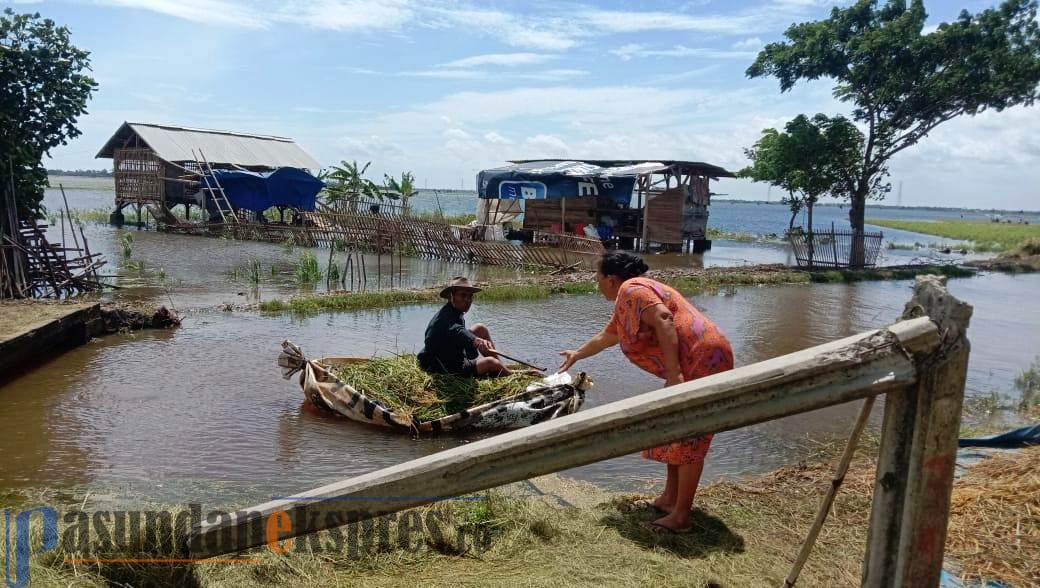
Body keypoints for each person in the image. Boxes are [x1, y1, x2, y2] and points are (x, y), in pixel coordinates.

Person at [558, 251, 734, 535]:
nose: (596, 283)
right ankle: (669, 499)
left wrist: (675, 374)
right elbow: (607, 337)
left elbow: (664, 318)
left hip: (703, 357)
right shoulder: (628, 300)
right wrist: (577, 354)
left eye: (597, 277)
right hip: (697, 357)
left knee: (690, 433)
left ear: (612, 280)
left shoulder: (632, 289)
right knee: (675, 427)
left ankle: (680, 517)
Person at [417, 276, 510, 377]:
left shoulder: (455, 311)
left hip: (449, 350)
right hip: (442, 365)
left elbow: (458, 332)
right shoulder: (446, 317)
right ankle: (512, 374)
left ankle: (500, 368)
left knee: (480, 328)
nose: (468, 300)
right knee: (491, 362)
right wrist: (474, 340)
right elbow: (456, 329)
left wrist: (475, 339)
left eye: (470, 296)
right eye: (463, 295)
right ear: (451, 297)